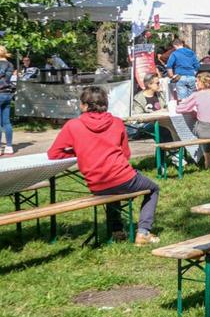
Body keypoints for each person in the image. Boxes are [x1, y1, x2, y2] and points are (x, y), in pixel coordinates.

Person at [47, 86, 160, 244]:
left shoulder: (73, 125)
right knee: (153, 188)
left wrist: (79, 152)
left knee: (111, 188)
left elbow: (53, 153)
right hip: (123, 177)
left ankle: (117, 230)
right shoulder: (117, 122)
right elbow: (126, 154)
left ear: (85, 105)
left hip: (97, 183)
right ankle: (143, 232)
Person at [176, 71, 210, 168]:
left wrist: (192, 111)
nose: (196, 84)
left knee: (199, 126)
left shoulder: (197, 95)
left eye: (197, 81)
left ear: (202, 83)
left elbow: (180, 109)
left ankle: (206, 162)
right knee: (208, 128)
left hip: (204, 131)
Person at [0, 46, 15, 155]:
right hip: (7, 94)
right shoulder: (10, 64)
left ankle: (0, 148)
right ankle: (9, 146)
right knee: (6, 122)